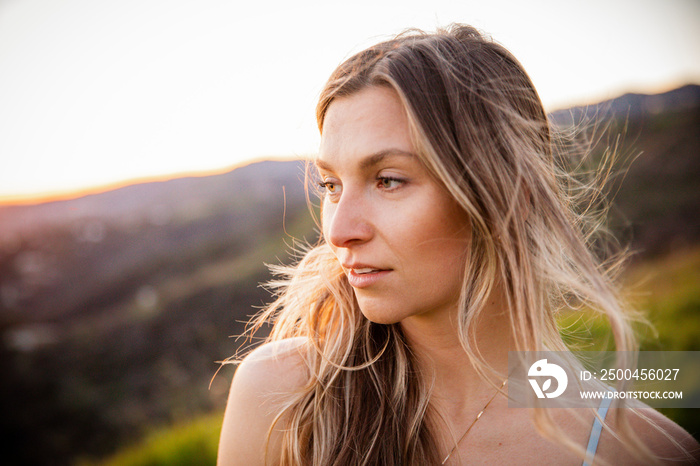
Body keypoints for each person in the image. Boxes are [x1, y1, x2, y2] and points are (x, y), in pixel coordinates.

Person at [217, 24, 699, 465]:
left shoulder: (643, 450)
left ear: (508, 194)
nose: (340, 231)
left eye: (387, 180)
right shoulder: (284, 401)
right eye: (331, 186)